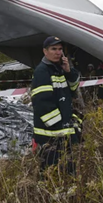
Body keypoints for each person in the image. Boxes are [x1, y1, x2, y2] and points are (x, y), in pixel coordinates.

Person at [31, 36, 82, 172]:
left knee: (69, 169)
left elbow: (73, 88)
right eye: (54, 49)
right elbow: (42, 103)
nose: (58, 52)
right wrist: (60, 124)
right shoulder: (42, 71)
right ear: (45, 51)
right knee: (50, 171)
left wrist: (68, 71)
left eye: (60, 49)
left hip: (63, 132)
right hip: (50, 133)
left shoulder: (59, 69)